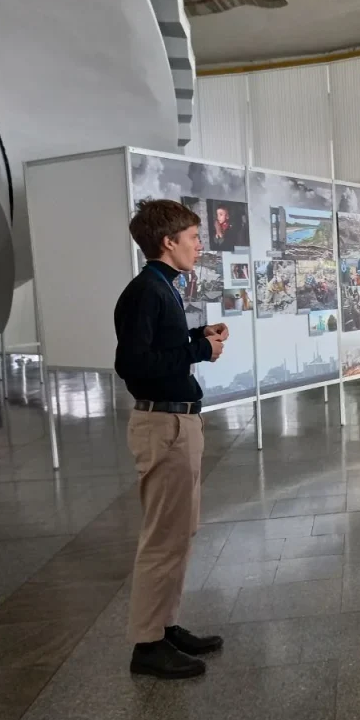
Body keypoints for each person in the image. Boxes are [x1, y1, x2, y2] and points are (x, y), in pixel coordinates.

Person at [114, 199, 229, 679]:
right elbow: (133, 364)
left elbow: (159, 347)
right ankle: (147, 644)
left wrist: (197, 335)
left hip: (177, 422)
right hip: (163, 426)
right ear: (168, 241)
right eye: (194, 238)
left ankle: (164, 626)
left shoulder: (162, 287)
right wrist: (200, 349)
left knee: (180, 531)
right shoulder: (147, 291)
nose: (199, 246)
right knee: (164, 537)